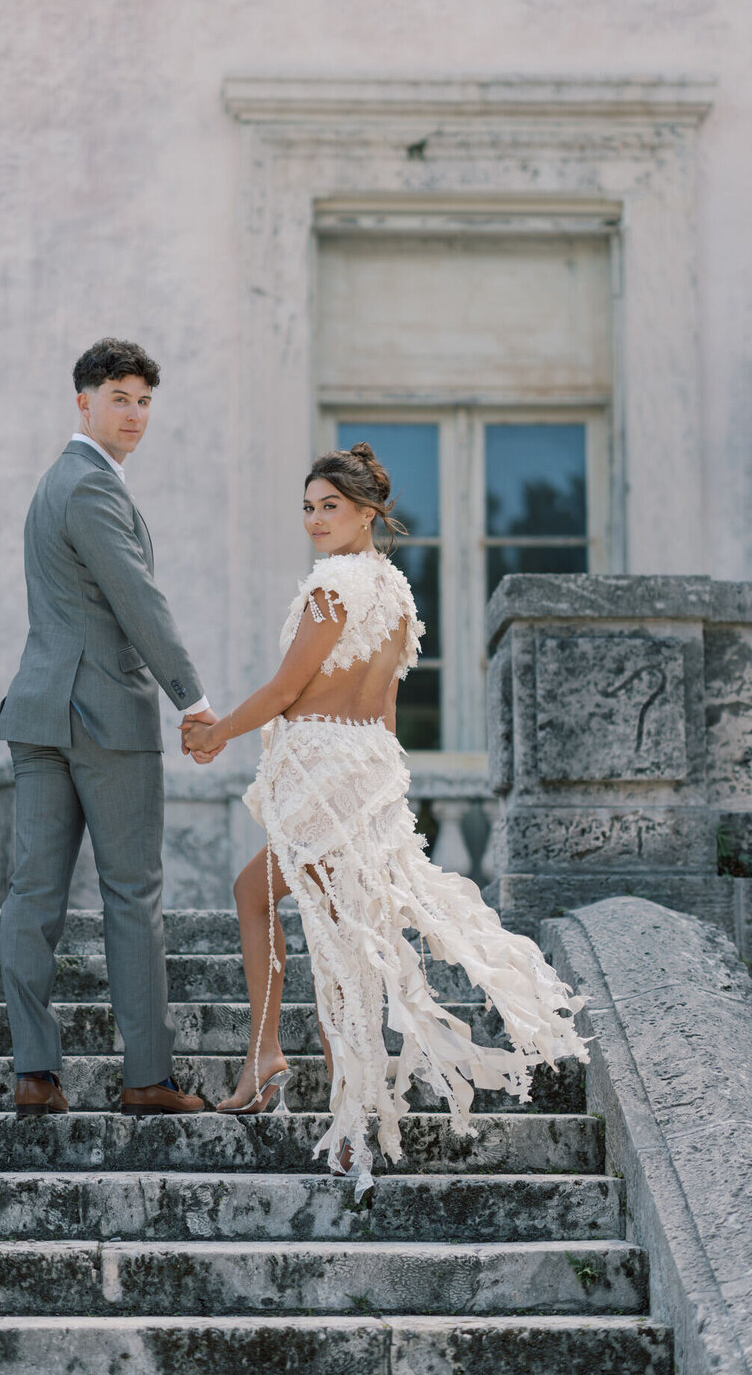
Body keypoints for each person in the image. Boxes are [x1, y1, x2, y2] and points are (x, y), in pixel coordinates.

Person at [183, 442, 588, 1192]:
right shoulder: (397, 594)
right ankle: (276, 1062)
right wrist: (381, 787)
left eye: (329, 506)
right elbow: (388, 708)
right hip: (364, 763)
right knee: (314, 919)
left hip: (329, 767)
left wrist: (216, 732)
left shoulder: (333, 588)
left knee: (323, 932)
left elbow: (283, 690)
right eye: (307, 507)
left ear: (368, 512)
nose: (314, 520)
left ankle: (337, 1109)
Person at [0, 337, 221, 1119]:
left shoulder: (58, 483)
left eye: (145, 400)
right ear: (83, 401)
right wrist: (192, 698)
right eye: (119, 397)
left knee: (33, 893)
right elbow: (137, 599)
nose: (134, 414)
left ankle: (35, 1072)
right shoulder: (90, 486)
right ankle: (145, 1079)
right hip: (104, 715)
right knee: (132, 895)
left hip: (40, 711)